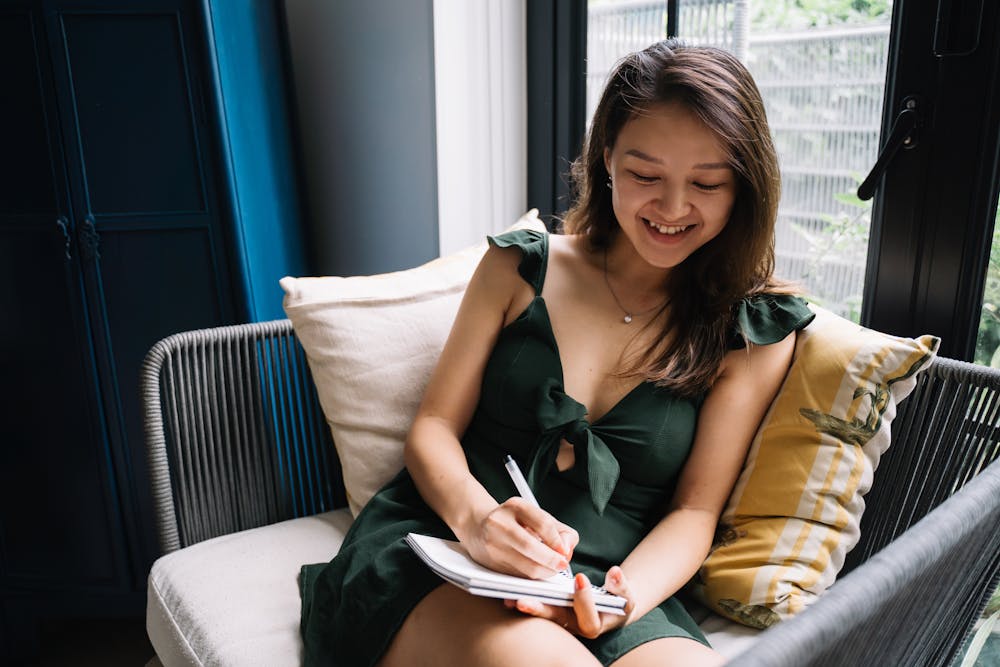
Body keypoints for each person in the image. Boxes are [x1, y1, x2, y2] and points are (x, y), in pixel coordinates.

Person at [299, 39, 815, 667]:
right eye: (645, 175)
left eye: (707, 184)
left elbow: (694, 511)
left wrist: (614, 601)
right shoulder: (519, 265)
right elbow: (433, 428)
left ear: (743, 189)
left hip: (617, 581)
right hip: (453, 546)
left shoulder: (751, 329)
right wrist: (480, 523)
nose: (673, 209)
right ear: (606, 161)